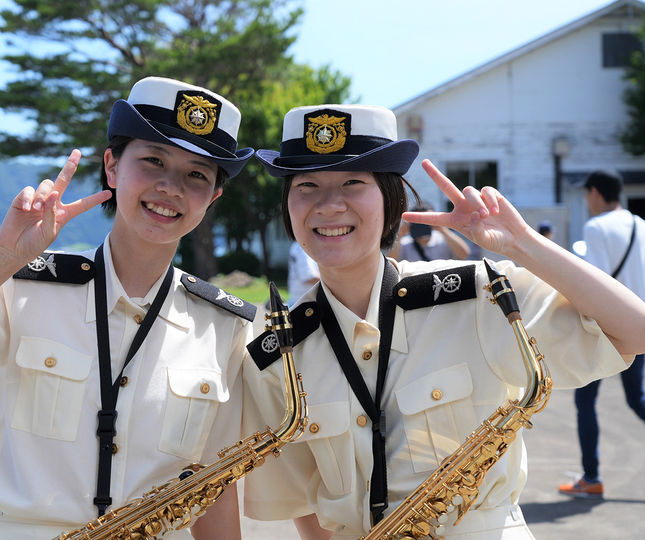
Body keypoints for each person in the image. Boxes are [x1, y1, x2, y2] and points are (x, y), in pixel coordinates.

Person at [0, 77, 256, 539]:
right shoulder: (29, 289)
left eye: (197, 175)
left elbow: (212, 487)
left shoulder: (221, 326)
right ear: (112, 167)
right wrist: (0, 258)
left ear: (213, 198)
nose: (170, 186)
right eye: (153, 160)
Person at [241, 104, 645, 540]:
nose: (329, 205)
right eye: (307, 185)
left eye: (353, 182)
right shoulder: (281, 353)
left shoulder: (477, 296)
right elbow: (305, 504)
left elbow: (633, 332)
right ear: (287, 204)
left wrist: (522, 244)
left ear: (392, 198)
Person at [558, 169, 645, 499]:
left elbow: (595, 283)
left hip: (605, 331)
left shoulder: (596, 227)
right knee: (637, 399)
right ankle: (590, 477)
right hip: (639, 325)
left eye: (586, 194)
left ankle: (591, 478)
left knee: (585, 401)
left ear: (594, 192)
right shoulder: (640, 225)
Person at [388, 203, 471, 262]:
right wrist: (400, 234)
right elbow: (390, 262)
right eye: (418, 223)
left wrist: (443, 229)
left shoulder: (442, 240)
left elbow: (464, 254)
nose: (422, 226)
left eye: (425, 222)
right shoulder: (404, 243)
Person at [288, 241, 320, 305]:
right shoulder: (304, 246)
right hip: (306, 304)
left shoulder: (299, 245)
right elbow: (309, 276)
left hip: (300, 301)